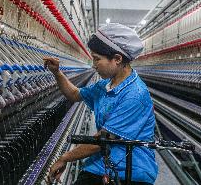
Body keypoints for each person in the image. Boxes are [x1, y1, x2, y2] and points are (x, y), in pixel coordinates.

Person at [44, 23, 158, 185]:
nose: (93, 64)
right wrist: (57, 73)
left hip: (130, 169)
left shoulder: (135, 95)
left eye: (97, 59)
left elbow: (103, 139)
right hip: (102, 163)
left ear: (117, 59)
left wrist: (65, 157)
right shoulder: (105, 85)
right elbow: (75, 94)